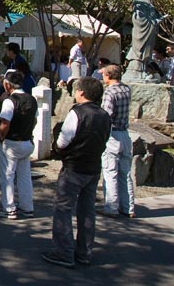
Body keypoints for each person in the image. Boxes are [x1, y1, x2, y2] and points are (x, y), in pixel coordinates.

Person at [42, 77, 111, 268]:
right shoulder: (105, 115)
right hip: (93, 166)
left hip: (74, 166)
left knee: (63, 209)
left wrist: (60, 150)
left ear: (81, 92)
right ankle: (84, 252)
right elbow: (105, 139)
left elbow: (63, 141)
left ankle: (64, 251)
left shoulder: (77, 113)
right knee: (87, 210)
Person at [0, 70, 37, 220]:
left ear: (7, 85)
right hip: (26, 141)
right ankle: (27, 206)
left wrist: (1, 136)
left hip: (12, 142)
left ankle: (8, 207)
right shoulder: (32, 99)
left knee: (7, 175)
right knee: (25, 175)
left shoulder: (10, 101)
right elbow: (35, 120)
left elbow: (5, 122)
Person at [99, 64, 135, 219]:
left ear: (108, 75)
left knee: (110, 172)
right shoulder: (126, 89)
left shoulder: (110, 92)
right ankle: (129, 207)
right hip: (125, 133)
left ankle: (111, 207)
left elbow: (106, 115)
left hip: (112, 134)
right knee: (125, 173)